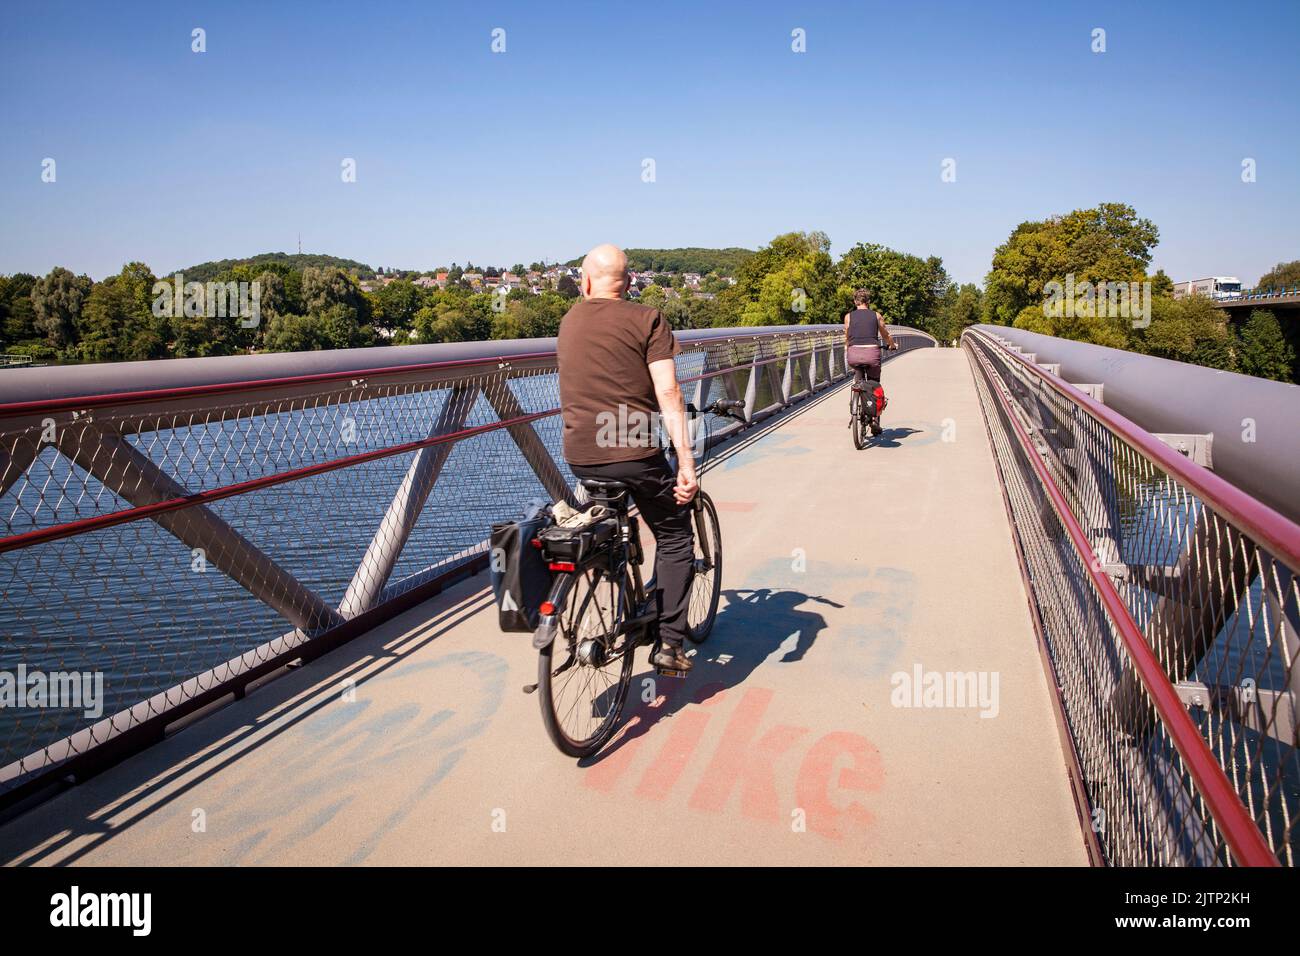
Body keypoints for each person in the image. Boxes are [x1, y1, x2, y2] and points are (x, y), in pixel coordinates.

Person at [556, 244, 697, 673]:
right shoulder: (647, 318)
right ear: (630, 283)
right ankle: (670, 646)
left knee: (617, 525)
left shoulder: (568, 321)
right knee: (675, 536)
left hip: (580, 453)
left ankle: (617, 582)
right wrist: (685, 461)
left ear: (585, 282)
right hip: (633, 450)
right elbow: (668, 393)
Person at [843, 288, 897, 434]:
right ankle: (873, 419)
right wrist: (892, 345)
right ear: (869, 302)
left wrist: (847, 347)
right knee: (874, 382)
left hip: (853, 354)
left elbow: (847, 336)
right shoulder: (876, 316)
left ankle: (856, 397)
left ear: (855, 302)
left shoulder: (848, 317)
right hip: (871, 354)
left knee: (858, 374)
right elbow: (885, 334)